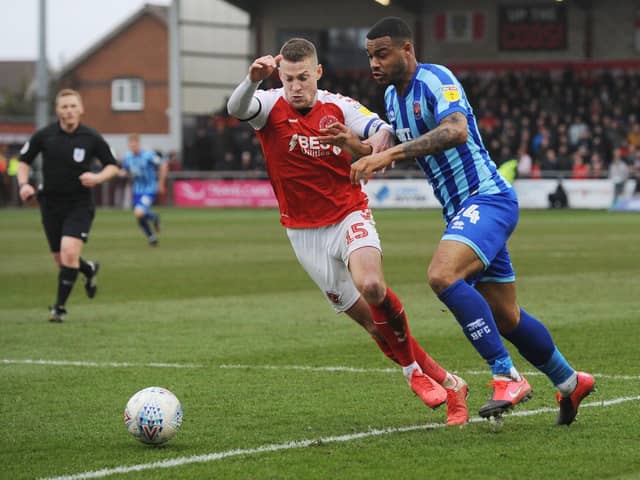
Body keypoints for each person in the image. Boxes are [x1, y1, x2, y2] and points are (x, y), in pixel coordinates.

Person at [347, 17, 594, 425]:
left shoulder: (435, 79)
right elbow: (387, 142)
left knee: (443, 276)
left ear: (407, 50)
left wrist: (389, 154)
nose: (374, 62)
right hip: (461, 209)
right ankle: (570, 382)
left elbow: (457, 131)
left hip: (487, 198)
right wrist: (356, 145)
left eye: (382, 53)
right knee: (506, 316)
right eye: (370, 55)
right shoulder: (392, 97)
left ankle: (506, 374)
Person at [227, 38, 469, 425]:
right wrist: (252, 79)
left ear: (317, 73)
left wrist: (361, 145)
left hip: (348, 215)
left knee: (372, 286)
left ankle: (412, 375)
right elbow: (237, 108)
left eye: (303, 77)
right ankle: (451, 383)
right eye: (288, 78)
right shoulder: (269, 104)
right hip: (304, 234)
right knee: (376, 327)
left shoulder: (338, 106)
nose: (295, 86)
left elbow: (382, 133)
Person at [17, 88, 119, 322]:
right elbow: (23, 161)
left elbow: (112, 166)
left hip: (79, 205)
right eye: (64, 107)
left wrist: (96, 178)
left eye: (73, 106)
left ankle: (59, 309)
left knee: (69, 253)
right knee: (63, 261)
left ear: (81, 109)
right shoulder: (44, 135)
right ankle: (88, 269)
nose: (69, 111)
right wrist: (24, 184)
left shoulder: (91, 137)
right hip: (50, 205)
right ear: (57, 110)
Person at [119, 133, 168, 246]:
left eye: (134, 144)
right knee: (139, 215)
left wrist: (161, 183)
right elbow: (125, 169)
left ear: (139, 144)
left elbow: (163, 164)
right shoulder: (128, 157)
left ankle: (154, 219)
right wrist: (118, 173)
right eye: (131, 145)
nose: (133, 147)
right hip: (137, 190)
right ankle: (151, 236)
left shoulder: (148, 155)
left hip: (149, 188)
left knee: (139, 212)